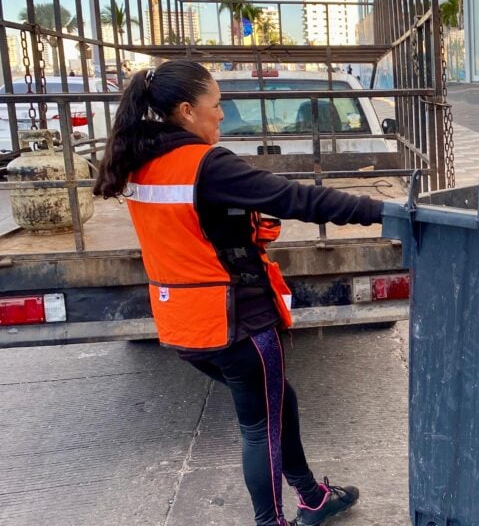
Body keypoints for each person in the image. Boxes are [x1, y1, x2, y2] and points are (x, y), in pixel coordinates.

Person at [93, 60, 373, 526]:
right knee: (260, 427)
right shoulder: (206, 165)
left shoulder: (140, 163)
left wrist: (240, 230)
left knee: (278, 400)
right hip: (237, 324)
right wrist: (379, 210)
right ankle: (271, 521)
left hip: (183, 326)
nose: (222, 115)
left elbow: (191, 228)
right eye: (216, 105)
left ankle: (312, 495)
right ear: (186, 111)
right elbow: (297, 198)